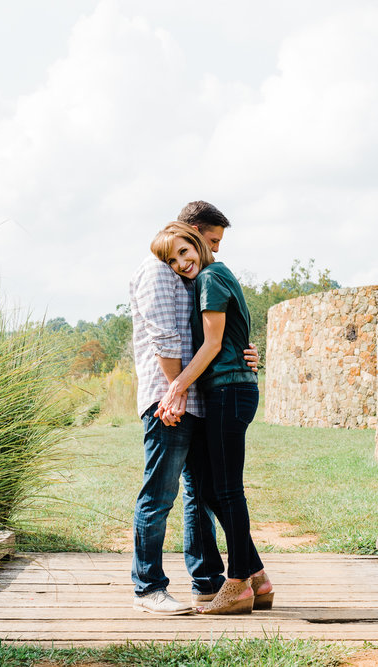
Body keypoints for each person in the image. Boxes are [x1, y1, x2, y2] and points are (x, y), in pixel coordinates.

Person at [128, 202, 257, 615]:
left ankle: (208, 581)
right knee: (159, 494)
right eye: (212, 241)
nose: (214, 251)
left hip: (196, 398)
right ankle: (148, 588)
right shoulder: (156, 272)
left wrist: (245, 353)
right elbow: (166, 339)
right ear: (194, 232)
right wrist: (175, 390)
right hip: (169, 401)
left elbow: (215, 334)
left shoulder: (197, 275)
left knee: (200, 494)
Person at [150, 222, 273, 615]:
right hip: (226, 390)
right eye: (173, 260)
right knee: (209, 489)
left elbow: (214, 343)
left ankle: (237, 583)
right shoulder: (207, 277)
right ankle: (256, 577)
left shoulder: (211, 275)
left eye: (185, 251)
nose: (182, 263)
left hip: (228, 392)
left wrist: (177, 387)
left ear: (197, 243)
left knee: (227, 490)